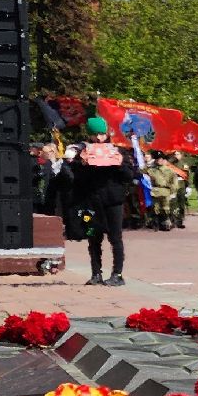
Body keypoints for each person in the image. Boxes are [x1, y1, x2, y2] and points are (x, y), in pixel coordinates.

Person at [66, 117, 135, 285]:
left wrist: (118, 164)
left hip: (113, 201)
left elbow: (130, 176)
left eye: (102, 134)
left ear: (107, 133)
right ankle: (96, 273)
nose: (98, 138)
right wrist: (83, 164)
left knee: (115, 238)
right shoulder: (83, 151)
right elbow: (76, 178)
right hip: (91, 202)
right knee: (93, 238)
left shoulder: (118, 151)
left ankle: (117, 274)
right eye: (95, 134)